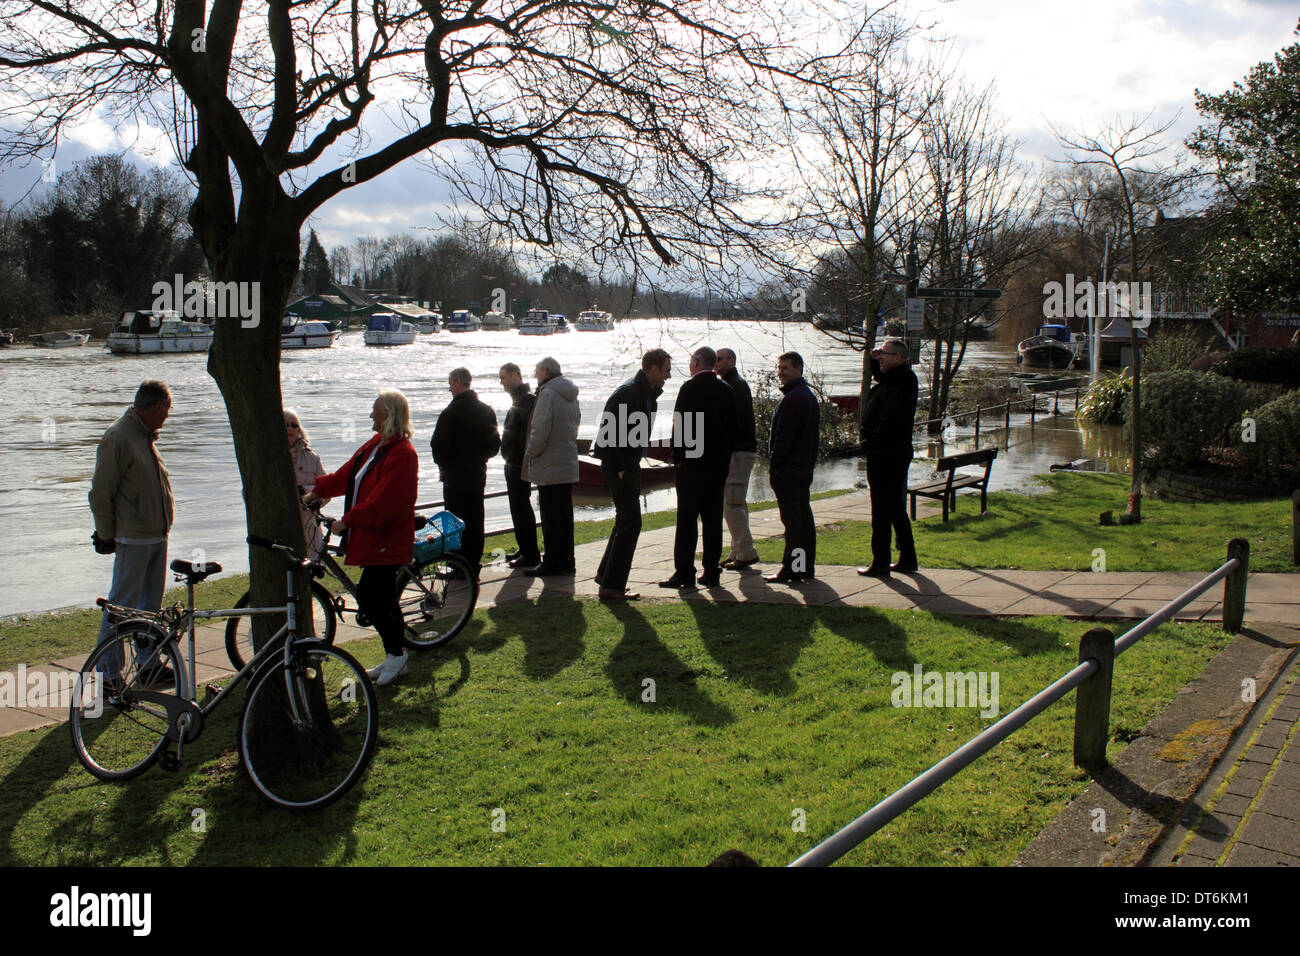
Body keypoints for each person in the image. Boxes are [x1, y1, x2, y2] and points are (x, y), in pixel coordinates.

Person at [305, 390, 418, 686]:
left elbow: (385, 501)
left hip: (386, 539)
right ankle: (396, 655)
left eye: (375, 410)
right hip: (372, 537)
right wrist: (319, 490)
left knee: (371, 597)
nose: (370, 415)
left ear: (389, 414)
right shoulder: (375, 446)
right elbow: (347, 475)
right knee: (382, 599)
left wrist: (348, 520)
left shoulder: (403, 454)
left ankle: (397, 654)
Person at [89, 380, 175, 649]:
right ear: (158, 406)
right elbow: (101, 493)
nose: (168, 415)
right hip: (133, 537)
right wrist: (105, 535)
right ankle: (109, 673)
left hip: (156, 535)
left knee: (150, 608)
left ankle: (148, 664)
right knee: (120, 608)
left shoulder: (144, 435)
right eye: (167, 409)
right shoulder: (119, 437)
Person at [592, 349, 671, 600]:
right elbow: (610, 434)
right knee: (631, 522)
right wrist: (622, 468)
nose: (668, 376)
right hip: (621, 465)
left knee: (624, 520)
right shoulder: (630, 393)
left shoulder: (645, 394)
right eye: (666, 370)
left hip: (627, 463)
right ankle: (612, 586)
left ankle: (606, 577)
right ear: (653, 369)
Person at [660, 346, 737, 589]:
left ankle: (684, 572)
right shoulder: (726, 389)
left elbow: (681, 426)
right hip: (717, 466)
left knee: (687, 520)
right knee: (713, 520)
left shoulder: (690, 388)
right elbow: (734, 427)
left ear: (695, 362)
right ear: (713, 364)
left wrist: (678, 457)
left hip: (692, 466)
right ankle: (711, 571)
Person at [857, 339, 919, 578]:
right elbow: (882, 378)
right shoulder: (900, 378)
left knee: (882, 510)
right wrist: (875, 362)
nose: (880, 356)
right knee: (894, 508)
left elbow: (888, 420)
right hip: (893, 452)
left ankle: (881, 561)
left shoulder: (900, 382)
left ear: (898, 358)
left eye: (885, 354)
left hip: (886, 454)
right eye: (880, 353)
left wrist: (870, 445)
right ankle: (907, 559)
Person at [430, 368, 501, 576]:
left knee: (455, 522)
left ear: (458, 382)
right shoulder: (486, 411)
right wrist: (480, 459)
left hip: (454, 477)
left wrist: (445, 464)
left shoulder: (450, 413)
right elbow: (495, 445)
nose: (450, 388)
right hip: (477, 474)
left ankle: (458, 565)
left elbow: (438, 446)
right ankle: (473, 563)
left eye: (450, 384)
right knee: (476, 520)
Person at [520, 357, 580, 576]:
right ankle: (567, 560)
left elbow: (541, 429)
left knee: (550, 516)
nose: (535, 376)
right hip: (567, 461)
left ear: (545, 372)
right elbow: (576, 424)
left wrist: (530, 453)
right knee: (565, 516)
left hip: (549, 464)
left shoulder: (547, 394)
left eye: (536, 372)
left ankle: (552, 561)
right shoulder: (571, 395)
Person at [765, 352, 819, 584]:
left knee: (794, 524)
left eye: (785, 368)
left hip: (789, 470)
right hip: (803, 468)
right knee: (803, 520)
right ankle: (805, 567)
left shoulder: (794, 399)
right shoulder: (806, 396)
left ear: (798, 369)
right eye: (779, 367)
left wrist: (775, 465)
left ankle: (793, 569)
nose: (780, 372)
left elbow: (784, 438)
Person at [715, 347, 759, 570]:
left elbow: (734, 422)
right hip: (739, 450)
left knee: (732, 503)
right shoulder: (732, 384)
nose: (716, 363)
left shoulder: (735, 386)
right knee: (732, 502)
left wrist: (728, 451)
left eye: (719, 359)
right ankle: (737, 551)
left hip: (738, 452)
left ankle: (745, 552)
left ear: (731, 360)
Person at [499, 362, 540, 569]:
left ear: (516, 375)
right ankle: (525, 548)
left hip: (518, 462)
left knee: (521, 506)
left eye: (504, 377)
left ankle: (530, 553)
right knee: (518, 507)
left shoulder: (527, 400)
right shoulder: (520, 400)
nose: (502, 382)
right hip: (514, 460)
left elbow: (525, 433)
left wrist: (513, 453)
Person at [286, 409, 328, 556]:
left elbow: (327, 491)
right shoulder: (269, 458)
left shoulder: (312, 458)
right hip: (282, 525)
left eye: (294, 425)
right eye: (286, 425)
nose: (290, 428)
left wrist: (306, 492)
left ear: (299, 430)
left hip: (310, 526)